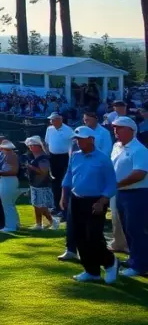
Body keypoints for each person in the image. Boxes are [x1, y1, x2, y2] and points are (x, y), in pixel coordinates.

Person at [63, 126, 119, 283]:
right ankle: (91, 271)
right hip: (76, 199)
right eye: (77, 139)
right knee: (79, 236)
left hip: (96, 201)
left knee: (93, 236)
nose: (78, 142)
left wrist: (102, 201)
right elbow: (68, 176)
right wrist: (63, 195)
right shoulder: (75, 156)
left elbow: (111, 184)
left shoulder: (102, 159)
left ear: (91, 139)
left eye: (81, 139)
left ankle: (110, 262)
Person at [110, 116, 148, 278]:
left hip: (137, 193)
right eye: (114, 128)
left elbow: (139, 174)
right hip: (122, 193)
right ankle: (135, 258)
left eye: (119, 128)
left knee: (136, 229)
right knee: (127, 228)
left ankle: (140, 265)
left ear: (131, 131)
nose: (115, 131)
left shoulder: (140, 150)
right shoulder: (117, 146)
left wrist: (116, 184)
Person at [45, 112, 76, 215]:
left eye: (53, 119)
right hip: (53, 158)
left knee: (64, 182)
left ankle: (64, 208)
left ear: (60, 119)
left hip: (65, 158)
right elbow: (47, 143)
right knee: (54, 181)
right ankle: (56, 206)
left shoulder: (68, 130)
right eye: (51, 120)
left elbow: (73, 144)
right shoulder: (49, 129)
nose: (51, 121)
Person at [24, 137, 56, 230]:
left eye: (32, 145)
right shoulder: (36, 157)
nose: (30, 147)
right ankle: (39, 224)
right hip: (35, 185)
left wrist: (30, 166)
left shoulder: (43, 158)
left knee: (42, 206)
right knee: (36, 205)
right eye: (29, 145)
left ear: (38, 146)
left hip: (42, 185)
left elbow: (44, 172)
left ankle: (53, 222)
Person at [0, 140, 20, 233]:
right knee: (9, 204)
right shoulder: (7, 156)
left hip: (9, 180)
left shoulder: (11, 156)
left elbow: (14, 171)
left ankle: (10, 226)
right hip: (6, 180)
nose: (0, 149)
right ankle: (15, 223)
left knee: (7, 204)